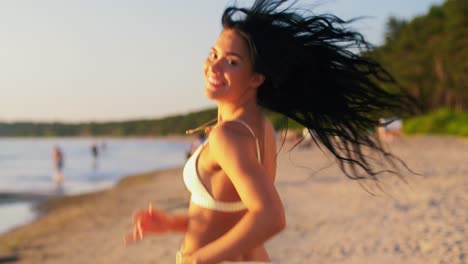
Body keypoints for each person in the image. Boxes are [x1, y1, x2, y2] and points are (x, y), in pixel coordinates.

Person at [125, 1, 415, 263]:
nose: (214, 65)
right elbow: (233, 213)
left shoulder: (229, 136)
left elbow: (271, 216)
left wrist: (196, 260)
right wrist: (173, 224)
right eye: (214, 54)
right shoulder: (259, 126)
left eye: (232, 61)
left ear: (256, 78)